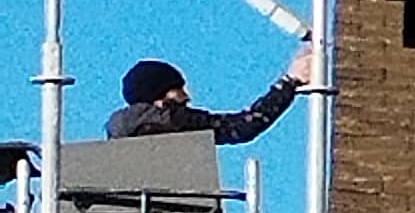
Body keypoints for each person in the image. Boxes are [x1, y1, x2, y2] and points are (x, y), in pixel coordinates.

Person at [103, 51, 308, 149]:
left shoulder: (118, 132)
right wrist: (290, 81)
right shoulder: (171, 121)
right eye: (178, 90)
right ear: (159, 97)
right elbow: (245, 125)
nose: (187, 97)